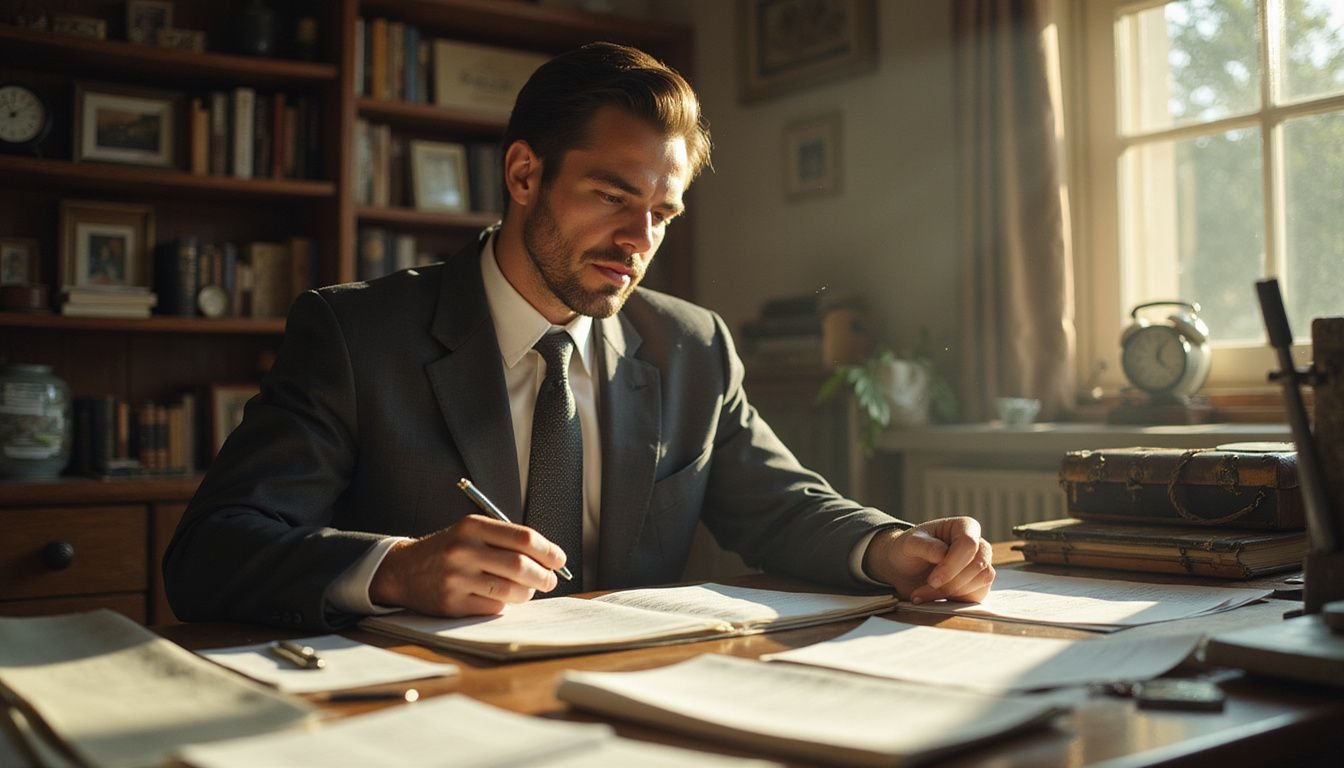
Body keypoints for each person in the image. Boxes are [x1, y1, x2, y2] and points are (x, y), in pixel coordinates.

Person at [163, 42, 994, 630]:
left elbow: (779, 505)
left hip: (629, 706)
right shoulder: (356, 334)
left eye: (661, 214)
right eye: (611, 196)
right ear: (524, 174)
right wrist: (394, 569)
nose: (639, 240)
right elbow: (211, 553)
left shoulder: (691, 344)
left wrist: (890, 546)